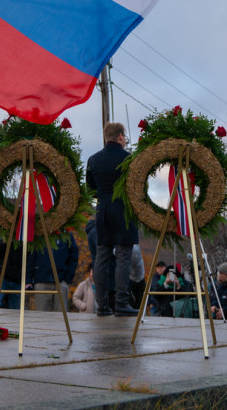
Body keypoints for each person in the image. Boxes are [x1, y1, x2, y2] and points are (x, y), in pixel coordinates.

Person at [88, 122, 138, 316]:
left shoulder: (93, 160)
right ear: (120, 137)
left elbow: (91, 189)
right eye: (124, 137)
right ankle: (121, 303)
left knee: (101, 256)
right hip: (123, 211)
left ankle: (102, 305)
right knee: (123, 256)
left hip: (102, 212)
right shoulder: (129, 159)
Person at [31, 235, 79, 311]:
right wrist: (29, 279)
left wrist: (67, 279)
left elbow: (74, 256)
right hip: (41, 282)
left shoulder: (67, 235)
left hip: (61, 282)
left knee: (61, 316)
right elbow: (31, 257)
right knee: (41, 316)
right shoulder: (39, 235)